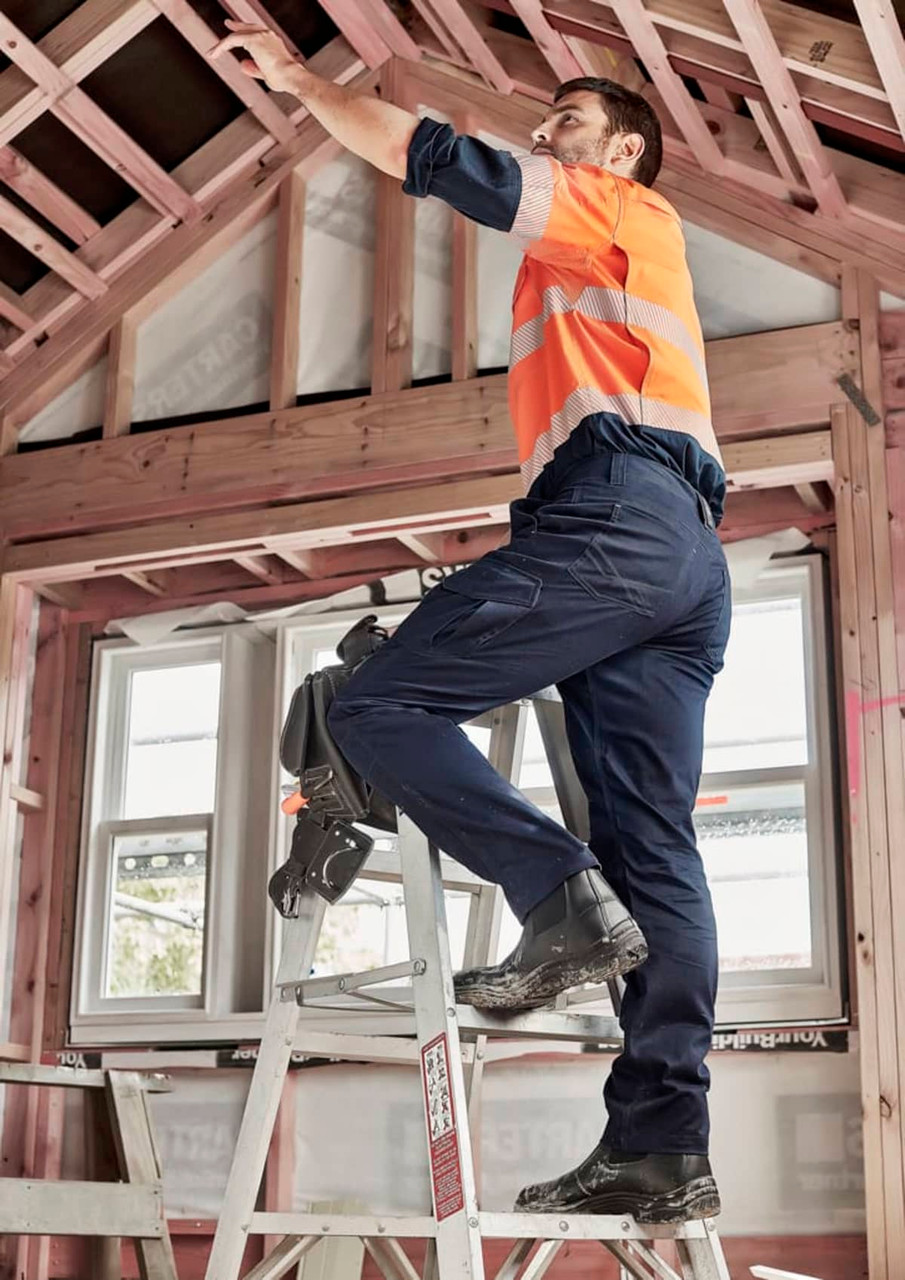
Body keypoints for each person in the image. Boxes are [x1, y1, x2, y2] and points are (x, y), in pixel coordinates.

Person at [211, 23, 731, 1226]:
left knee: (376, 699)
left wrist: (301, 83)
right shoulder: (597, 269)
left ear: (624, 148)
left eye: (565, 124)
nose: (545, 137)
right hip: (677, 556)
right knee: (654, 849)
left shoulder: (613, 206)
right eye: (544, 126)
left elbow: (439, 157)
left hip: (618, 514)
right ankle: (661, 1144)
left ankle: (557, 896)